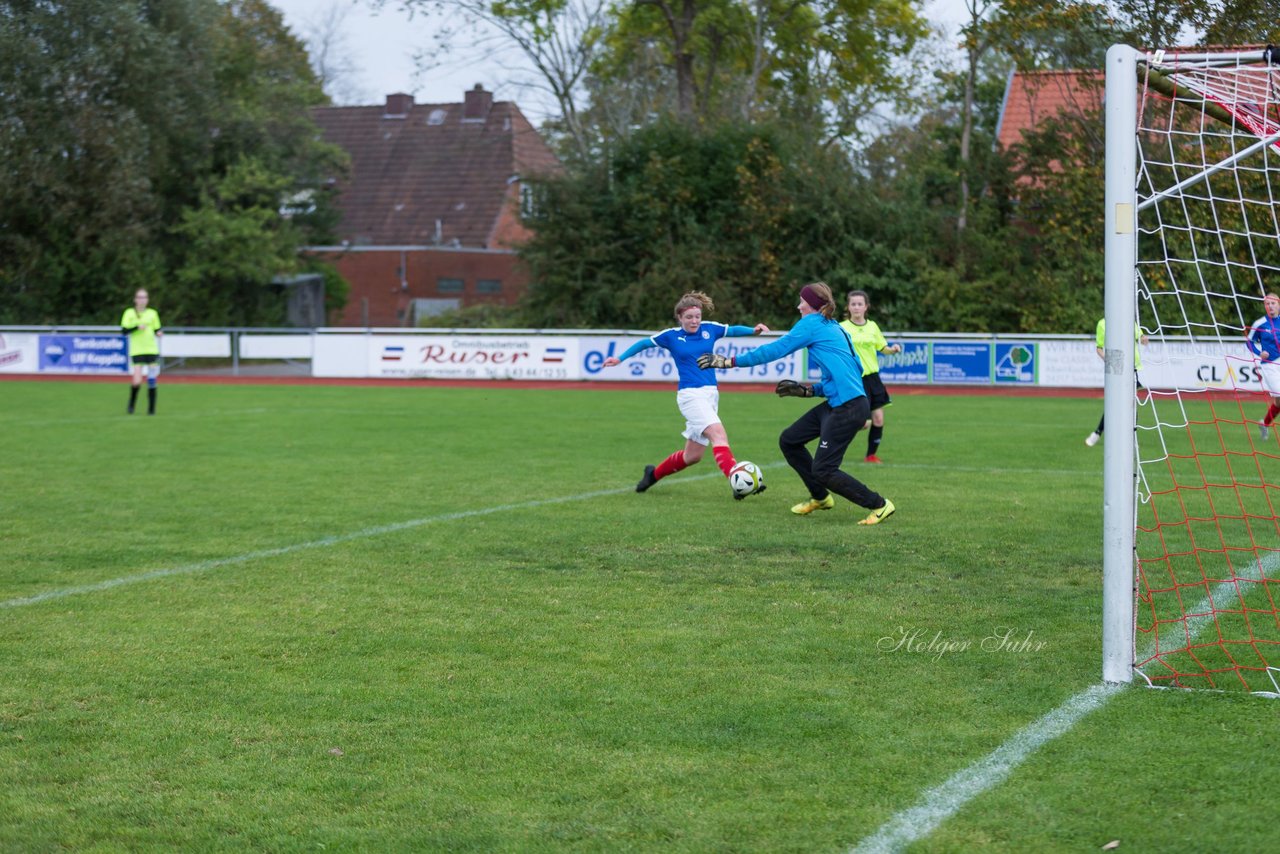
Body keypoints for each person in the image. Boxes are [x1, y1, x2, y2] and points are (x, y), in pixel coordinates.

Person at [698, 281, 896, 525]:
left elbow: (776, 350)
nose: (798, 306)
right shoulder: (832, 326)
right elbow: (845, 377)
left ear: (812, 305)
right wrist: (808, 391)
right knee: (790, 440)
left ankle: (879, 504)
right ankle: (821, 497)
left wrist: (728, 362)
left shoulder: (812, 323)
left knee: (824, 470)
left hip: (848, 407)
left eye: (802, 301)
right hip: (843, 402)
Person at [603, 292, 769, 497]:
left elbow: (732, 330)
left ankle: (652, 475)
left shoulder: (710, 329)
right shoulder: (671, 336)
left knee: (692, 456)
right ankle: (737, 480)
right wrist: (619, 359)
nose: (694, 321)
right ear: (680, 318)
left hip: (710, 396)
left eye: (697, 316)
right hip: (690, 396)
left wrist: (753, 330)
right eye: (689, 317)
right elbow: (644, 344)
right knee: (719, 434)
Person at [840, 290, 901, 463]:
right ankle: (836, 441)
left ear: (866, 307)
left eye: (860, 304)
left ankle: (871, 456)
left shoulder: (872, 326)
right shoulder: (842, 328)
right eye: (853, 304)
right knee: (862, 422)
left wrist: (893, 349)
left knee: (879, 419)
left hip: (873, 378)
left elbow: (883, 348)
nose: (857, 307)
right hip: (855, 379)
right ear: (848, 307)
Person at [1086, 317, 1147, 446]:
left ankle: (1129, 437)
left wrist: (1143, 339)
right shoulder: (1102, 324)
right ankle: (1097, 433)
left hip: (1132, 368)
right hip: (1115, 369)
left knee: (1131, 404)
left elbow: (1140, 337)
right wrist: (1111, 361)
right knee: (1113, 404)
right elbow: (1099, 349)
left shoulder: (1129, 320)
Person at [120, 288, 162, 415]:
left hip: (151, 349)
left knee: (152, 379)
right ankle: (132, 404)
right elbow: (124, 331)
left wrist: (159, 333)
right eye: (139, 297)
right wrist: (136, 327)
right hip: (137, 350)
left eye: (144, 297)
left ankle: (151, 409)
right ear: (135, 299)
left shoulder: (153, 313)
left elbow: (157, 329)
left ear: (147, 300)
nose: (142, 300)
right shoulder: (129, 313)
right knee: (137, 381)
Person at [1247, 293, 1280, 440]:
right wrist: (1259, 353)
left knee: (1279, 402)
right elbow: (1249, 342)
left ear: (1278, 305)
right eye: (1267, 304)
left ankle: (1264, 423)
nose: (1270, 306)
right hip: (1269, 366)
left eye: (1273, 303)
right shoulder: (1259, 323)